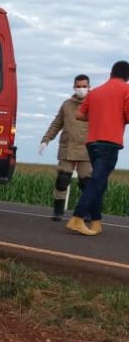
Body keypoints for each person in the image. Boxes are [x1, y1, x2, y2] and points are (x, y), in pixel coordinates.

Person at [66, 60, 129, 236]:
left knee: (100, 182)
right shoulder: (126, 89)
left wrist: (97, 117)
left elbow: (79, 114)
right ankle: (77, 218)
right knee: (97, 182)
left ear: (111, 74)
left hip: (92, 143)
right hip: (110, 143)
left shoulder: (95, 92)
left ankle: (95, 222)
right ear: (127, 76)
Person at [38, 75, 91, 220]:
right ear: (74, 87)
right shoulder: (67, 105)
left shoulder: (95, 103)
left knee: (86, 182)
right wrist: (46, 140)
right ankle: (58, 211)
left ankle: (87, 212)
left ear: (89, 87)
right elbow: (57, 123)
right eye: (78, 86)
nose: (81, 89)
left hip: (87, 149)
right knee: (62, 180)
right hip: (67, 147)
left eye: (84, 86)